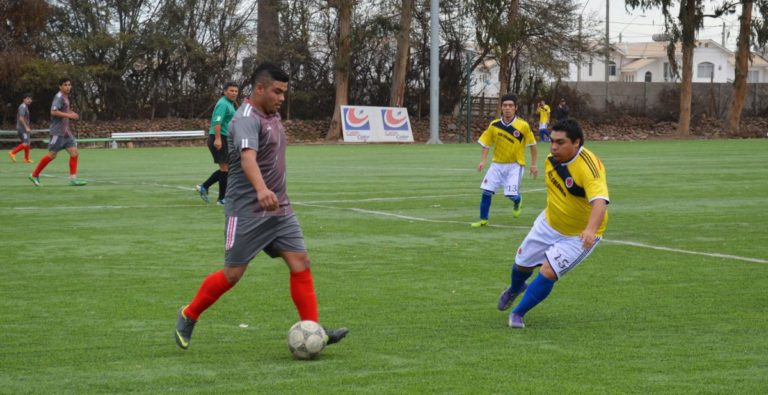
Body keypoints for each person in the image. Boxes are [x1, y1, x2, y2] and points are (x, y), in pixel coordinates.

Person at [174, 62, 348, 350]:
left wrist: (272, 193)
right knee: (232, 275)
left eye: (284, 92)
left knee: (300, 262)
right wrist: (261, 189)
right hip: (247, 212)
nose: (282, 98)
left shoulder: (273, 116)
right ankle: (188, 314)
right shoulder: (245, 119)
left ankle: (314, 328)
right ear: (259, 89)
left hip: (279, 210)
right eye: (277, 92)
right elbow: (247, 158)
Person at [497, 119, 609, 329]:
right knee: (521, 264)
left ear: (576, 143)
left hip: (578, 235)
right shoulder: (552, 160)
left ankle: (518, 313)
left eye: (561, 142)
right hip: (549, 223)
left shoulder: (589, 168)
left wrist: (590, 230)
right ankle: (514, 288)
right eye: (552, 141)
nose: (554, 147)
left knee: (549, 271)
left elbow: (600, 202)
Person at [471, 93, 538, 228]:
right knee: (486, 191)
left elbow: (532, 145)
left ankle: (517, 201)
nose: (508, 108)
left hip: (515, 166)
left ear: (516, 108)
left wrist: (534, 164)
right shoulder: (494, 125)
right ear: (501, 107)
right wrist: (483, 161)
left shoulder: (523, 125)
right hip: (496, 165)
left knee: (510, 194)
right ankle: (483, 220)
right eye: (505, 105)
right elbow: (486, 144)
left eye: (510, 106)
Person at [28, 78, 86, 186]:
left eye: (69, 84)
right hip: (57, 132)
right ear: (60, 86)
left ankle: (73, 179)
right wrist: (69, 115)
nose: (68, 87)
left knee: (74, 153)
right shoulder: (59, 97)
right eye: (65, 85)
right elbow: (53, 112)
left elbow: (63, 110)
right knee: (52, 155)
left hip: (65, 132)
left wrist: (72, 113)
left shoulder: (65, 97)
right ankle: (34, 175)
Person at [196, 82, 239, 205]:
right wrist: (218, 138)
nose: (234, 93)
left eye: (236, 91)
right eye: (231, 91)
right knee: (225, 168)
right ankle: (221, 199)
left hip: (226, 139)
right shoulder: (222, 104)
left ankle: (204, 186)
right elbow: (217, 122)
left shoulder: (230, 104)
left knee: (227, 168)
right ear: (225, 91)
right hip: (219, 138)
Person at [8, 94, 34, 163]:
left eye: (30, 99)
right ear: (24, 99)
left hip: (24, 128)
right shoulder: (22, 107)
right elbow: (21, 118)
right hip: (22, 128)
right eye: (28, 99)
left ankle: (26, 159)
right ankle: (12, 153)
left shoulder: (25, 107)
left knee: (28, 143)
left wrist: (27, 127)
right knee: (26, 143)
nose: (29, 100)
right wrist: (26, 127)